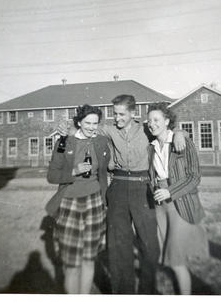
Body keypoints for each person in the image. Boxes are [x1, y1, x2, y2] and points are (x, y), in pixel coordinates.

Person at [57, 95, 186, 294]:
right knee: (118, 246)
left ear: (133, 113)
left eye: (122, 114)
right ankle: (122, 292)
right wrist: (70, 130)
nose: (117, 118)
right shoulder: (108, 130)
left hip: (143, 189)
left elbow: (168, 131)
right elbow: (84, 129)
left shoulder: (146, 129)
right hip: (117, 188)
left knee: (150, 245)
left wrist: (178, 133)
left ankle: (146, 292)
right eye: (114, 113)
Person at [46, 104, 110, 294]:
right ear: (79, 123)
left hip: (95, 203)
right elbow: (52, 176)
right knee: (72, 263)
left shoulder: (101, 141)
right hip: (69, 203)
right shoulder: (65, 142)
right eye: (87, 123)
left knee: (89, 259)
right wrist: (74, 171)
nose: (91, 127)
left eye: (95, 123)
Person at [147, 102, 209, 295]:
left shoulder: (181, 142)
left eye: (156, 120)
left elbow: (194, 176)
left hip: (179, 202)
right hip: (160, 207)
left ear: (167, 121)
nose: (152, 124)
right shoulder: (151, 147)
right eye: (149, 120)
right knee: (172, 258)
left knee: (176, 260)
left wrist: (170, 192)